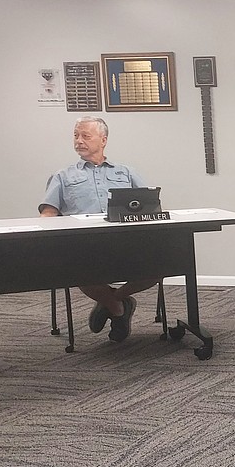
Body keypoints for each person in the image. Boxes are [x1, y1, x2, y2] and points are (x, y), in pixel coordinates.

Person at [39, 116, 157, 342]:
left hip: (128, 243)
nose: (78, 141)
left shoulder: (127, 172)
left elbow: (150, 205)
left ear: (103, 140)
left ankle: (112, 300)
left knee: (160, 267)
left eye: (85, 136)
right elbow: (48, 213)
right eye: (75, 136)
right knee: (77, 270)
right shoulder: (63, 176)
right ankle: (118, 308)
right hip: (84, 246)